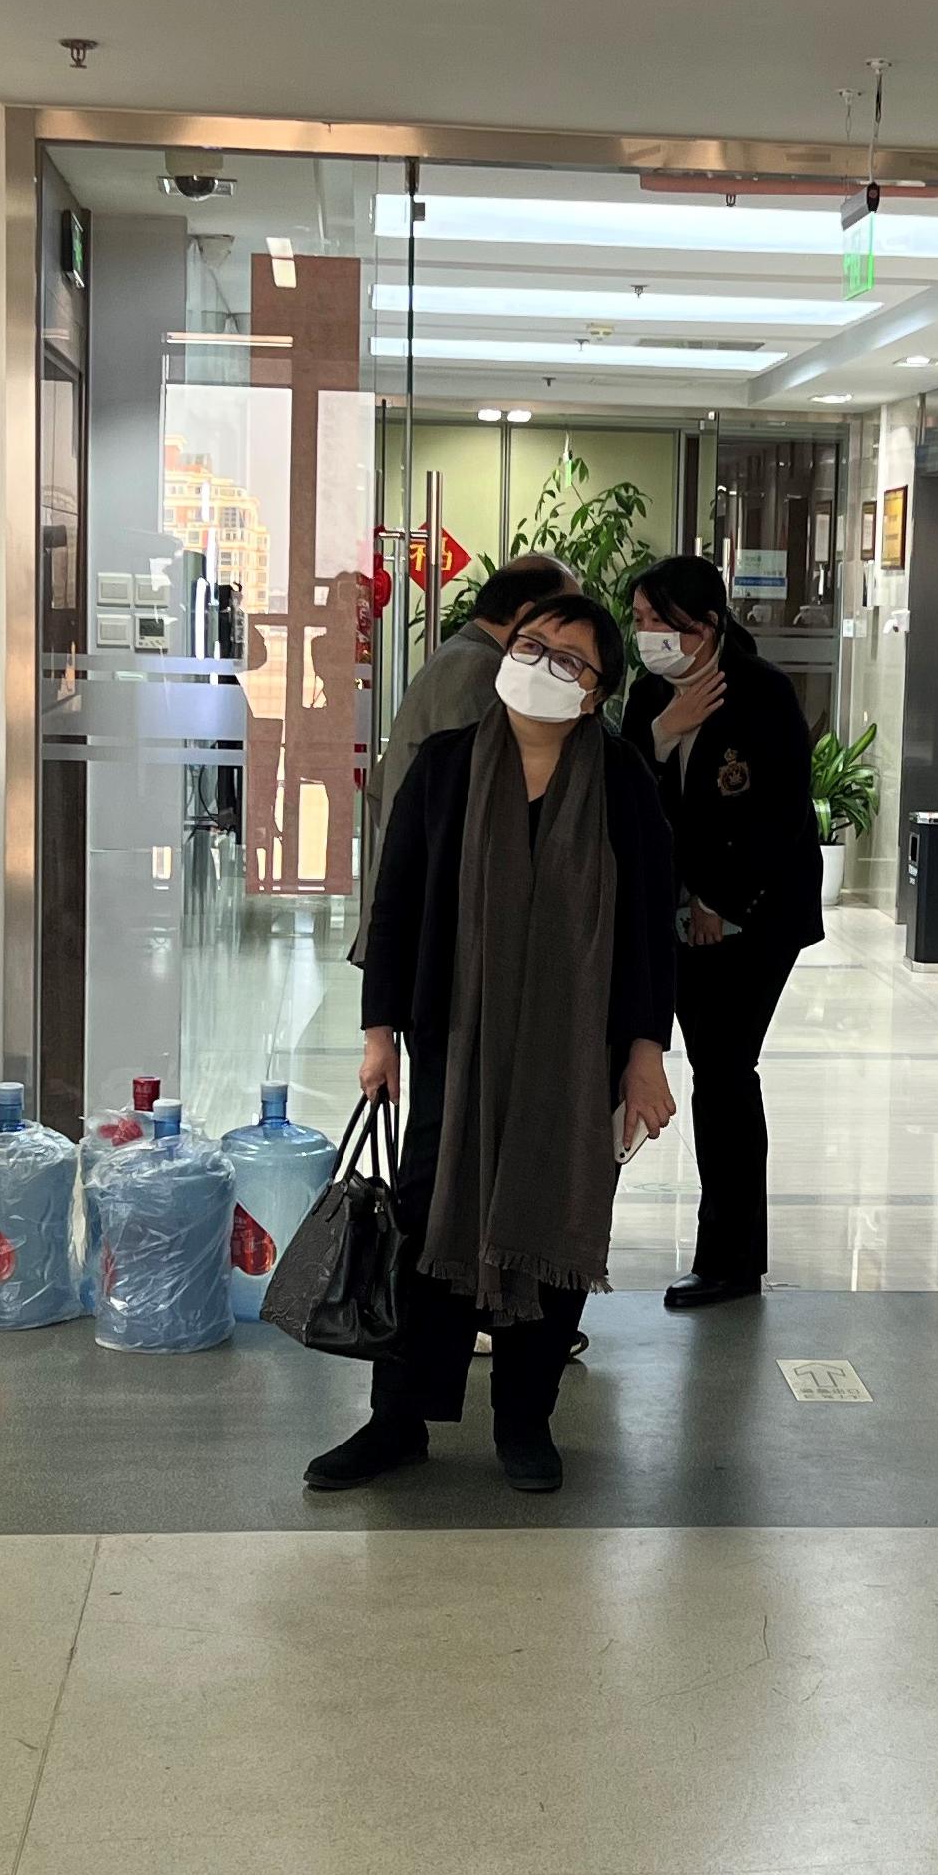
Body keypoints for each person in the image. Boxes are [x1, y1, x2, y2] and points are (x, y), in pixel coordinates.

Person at [312, 592, 680, 1498]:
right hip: (454, 1050)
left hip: (574, 1058)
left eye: (571, 660)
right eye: (532, 645)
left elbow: (645, 931)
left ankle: (525, 1420)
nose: (544, 666)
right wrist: (378, 1034)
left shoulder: (624, 782)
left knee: (550, 1221)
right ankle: (397, 1420)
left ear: (595, 694)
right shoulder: (443, 769)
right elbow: (393, 912)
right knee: (430, 1226)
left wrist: (644, 1053)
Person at [621, 554, 826, 1310]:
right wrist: (663, 733)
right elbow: (628, 797)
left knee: (725, 1071)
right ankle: (728, 1256)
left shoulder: (762, 692)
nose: (646, 636)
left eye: (657, 622)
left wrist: (718, 897)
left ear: (703, 627)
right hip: (675, 913)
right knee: (715, 1067)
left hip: (758, 913)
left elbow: (779, 816)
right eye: (638, 621)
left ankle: (732, 1260)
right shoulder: (648, 694)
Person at [351, 551, 573, 966]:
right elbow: (481, 804)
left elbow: (381, 790)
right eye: (568, 617)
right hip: (437, 924)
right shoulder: (481, 670)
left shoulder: (462, 656)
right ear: (528, 615)